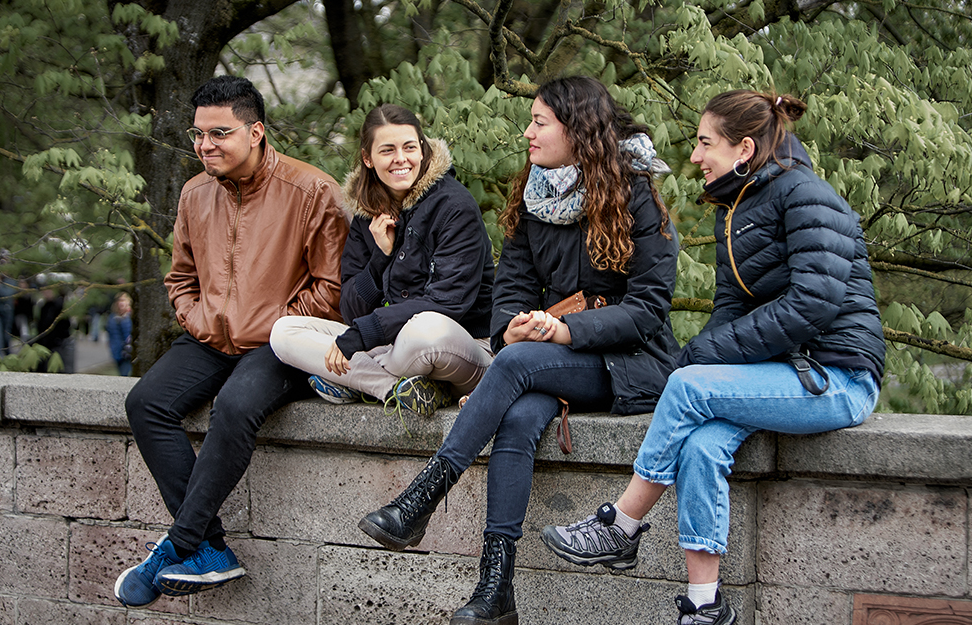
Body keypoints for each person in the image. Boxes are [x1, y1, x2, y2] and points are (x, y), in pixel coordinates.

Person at [541, 89, 886, 625]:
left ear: (743, 148)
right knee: (701, 444)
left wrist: (695, 363)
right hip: (777, 375)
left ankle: (623, 523)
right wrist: (692, 358)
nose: (696, 157)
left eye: (706, 144)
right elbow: (729, 311)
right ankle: (705, 606)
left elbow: (811, 305)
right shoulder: (736, 211)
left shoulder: (807, 196)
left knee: (689, 388)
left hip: (835, 378)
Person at [358, 76, 680, 625]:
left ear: (577, 130)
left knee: (513, 367)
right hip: (540, 354)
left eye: (539, 122)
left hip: (626, 360)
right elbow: (511, 287)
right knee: (516, 418)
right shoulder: (536, 193)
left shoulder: (636, 193)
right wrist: (511, 328)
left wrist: (564, 334)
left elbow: (649, 307)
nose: (526, 132)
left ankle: (423, 497)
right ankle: (495, 589)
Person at [115, 75, 349, 609]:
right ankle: (211, 548)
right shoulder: (195, 192)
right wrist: (203, 320)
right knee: (145, 402)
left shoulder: (313, 190)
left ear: (257, 131)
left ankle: (178, 544)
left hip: (282, 343)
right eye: (198, 135)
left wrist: (272, 327)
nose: (205, 146)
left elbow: (332, 290)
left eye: (219, 133)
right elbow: (180, 278)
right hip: (210, 337)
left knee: (235, 406)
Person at [269, 104, 494, 419]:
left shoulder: (455, 207)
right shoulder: (367, 212)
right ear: (367, 158)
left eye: (409, 148)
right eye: (387, 150)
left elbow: (448, 303)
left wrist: (362, 335)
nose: (400, 158)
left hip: (462, 346)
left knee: (423, 331)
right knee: (284, 332)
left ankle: (354, 380)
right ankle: (397, 389)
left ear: (423, 151)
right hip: (393, 347)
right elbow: (350, 308)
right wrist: (380, 258)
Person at [106, 292, 133, 376]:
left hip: (128, 354)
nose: (121, 303)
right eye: (119, 300)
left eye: (123, 300)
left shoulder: (130, 317)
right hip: (117, 353)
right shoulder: (112, 318)